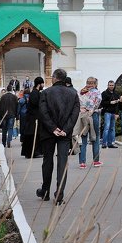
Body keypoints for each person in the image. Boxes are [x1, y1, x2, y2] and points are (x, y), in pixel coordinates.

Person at [37, 68, 80, 205]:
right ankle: (59, 193)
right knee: (62, 162)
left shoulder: (45, 93)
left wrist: (52, 128)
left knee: (47, 161)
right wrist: (65, 129)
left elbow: (43, 112)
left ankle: (45, 191)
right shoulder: (73, 93)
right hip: (64, 133)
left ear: (54, 78)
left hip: (48, 133)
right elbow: (75, 114)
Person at [76, 77, 102, 168]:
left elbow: (78, 102)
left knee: (83, 138)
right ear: (95, 84)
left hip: (83, 115)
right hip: (93, 115)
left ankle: (82, 162)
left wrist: (83, 109)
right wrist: (92, 109)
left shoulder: (81, 92)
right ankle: (96, 161)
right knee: (95, 137)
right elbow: (98, 102)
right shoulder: (96, 92)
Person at [21, 77, 44, 158]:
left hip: (34, 118)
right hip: (34, 118)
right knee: (33, 135)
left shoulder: (36, 92)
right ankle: (34, 152)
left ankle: (34, 152)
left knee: (34, 135)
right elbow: (36, 104)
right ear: (39, 84)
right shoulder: (35, 93)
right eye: (42, 83)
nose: (43, 85)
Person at [101, 80, 119, 148]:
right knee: (107, 128)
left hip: (114, 113)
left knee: (112, 128)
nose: (111, 86)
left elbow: (117, 104)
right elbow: (102, 103)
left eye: (112, 85)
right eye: (110, 85)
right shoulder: (104, 93)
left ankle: (110, 143)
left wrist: (117, 113)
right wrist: (110, 102)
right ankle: (104, 143)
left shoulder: (116, 93)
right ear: (108, 85)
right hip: (107, 112)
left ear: (114, 86)